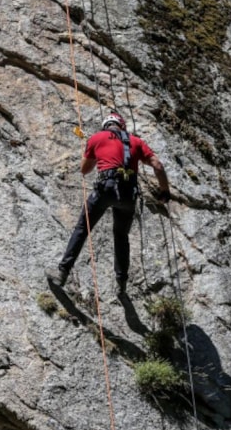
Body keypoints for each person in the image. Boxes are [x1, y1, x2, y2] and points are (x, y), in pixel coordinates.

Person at [47, 111, 170, 296]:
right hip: (128, 195)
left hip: (105, 189)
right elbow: (158, 165)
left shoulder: (96, 138)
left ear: (105, 126)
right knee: (121, 236)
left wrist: (94, 152)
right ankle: (121, 284)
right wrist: (164, 191)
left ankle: (62, 272)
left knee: (83, 228)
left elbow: (84, 170)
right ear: (122, 126)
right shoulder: (136, 141)